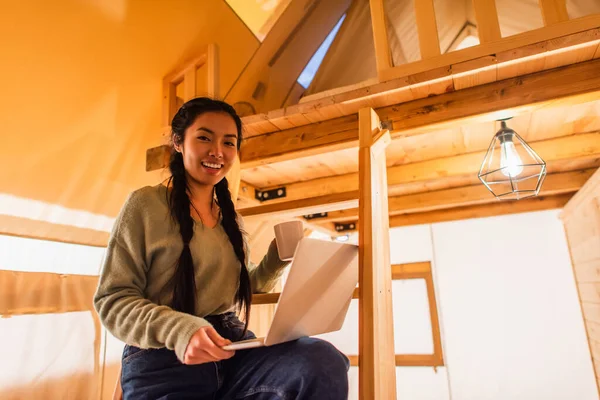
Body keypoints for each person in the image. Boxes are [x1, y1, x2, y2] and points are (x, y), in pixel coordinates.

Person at [94, 97, 350, 399]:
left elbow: (242, 287)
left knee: (322, 361)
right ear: (178, 142)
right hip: (163, 359)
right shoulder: (144, 206)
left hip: (232, 348)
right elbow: (113, 300)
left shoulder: (232, 219)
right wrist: (181, 330)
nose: (218, 151)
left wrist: (278, 257)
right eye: (204, 137)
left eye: (229, 143)